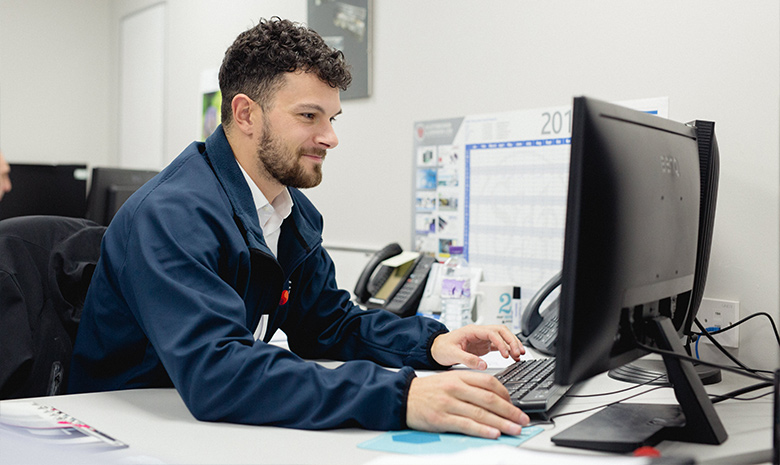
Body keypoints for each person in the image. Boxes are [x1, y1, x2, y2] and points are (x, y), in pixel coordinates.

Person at [69, 17, 529, 439]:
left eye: (332, 118)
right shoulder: (171, 215)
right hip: (125, 431)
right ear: (246, 114)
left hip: (208, 426)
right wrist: (398, 396)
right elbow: (217, 371)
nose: (331, 137)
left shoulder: (292, 214)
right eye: (310, 116)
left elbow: (328, 326)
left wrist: (430, 344)